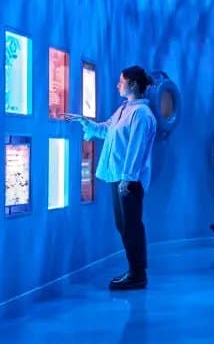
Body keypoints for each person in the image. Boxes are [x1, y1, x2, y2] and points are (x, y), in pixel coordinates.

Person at [65, 65, 157, 290]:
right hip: (120, 178)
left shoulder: (141, 114)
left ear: (132, 84)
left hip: (128, 181)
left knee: (131, 226)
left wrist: (128, 178)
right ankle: (135, 271)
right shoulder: (125, 109)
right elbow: (107, 129)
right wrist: (85, 122)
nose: (118, 85)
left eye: (121, 81)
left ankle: (137, 274)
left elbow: (137, 149)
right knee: (124, 225)